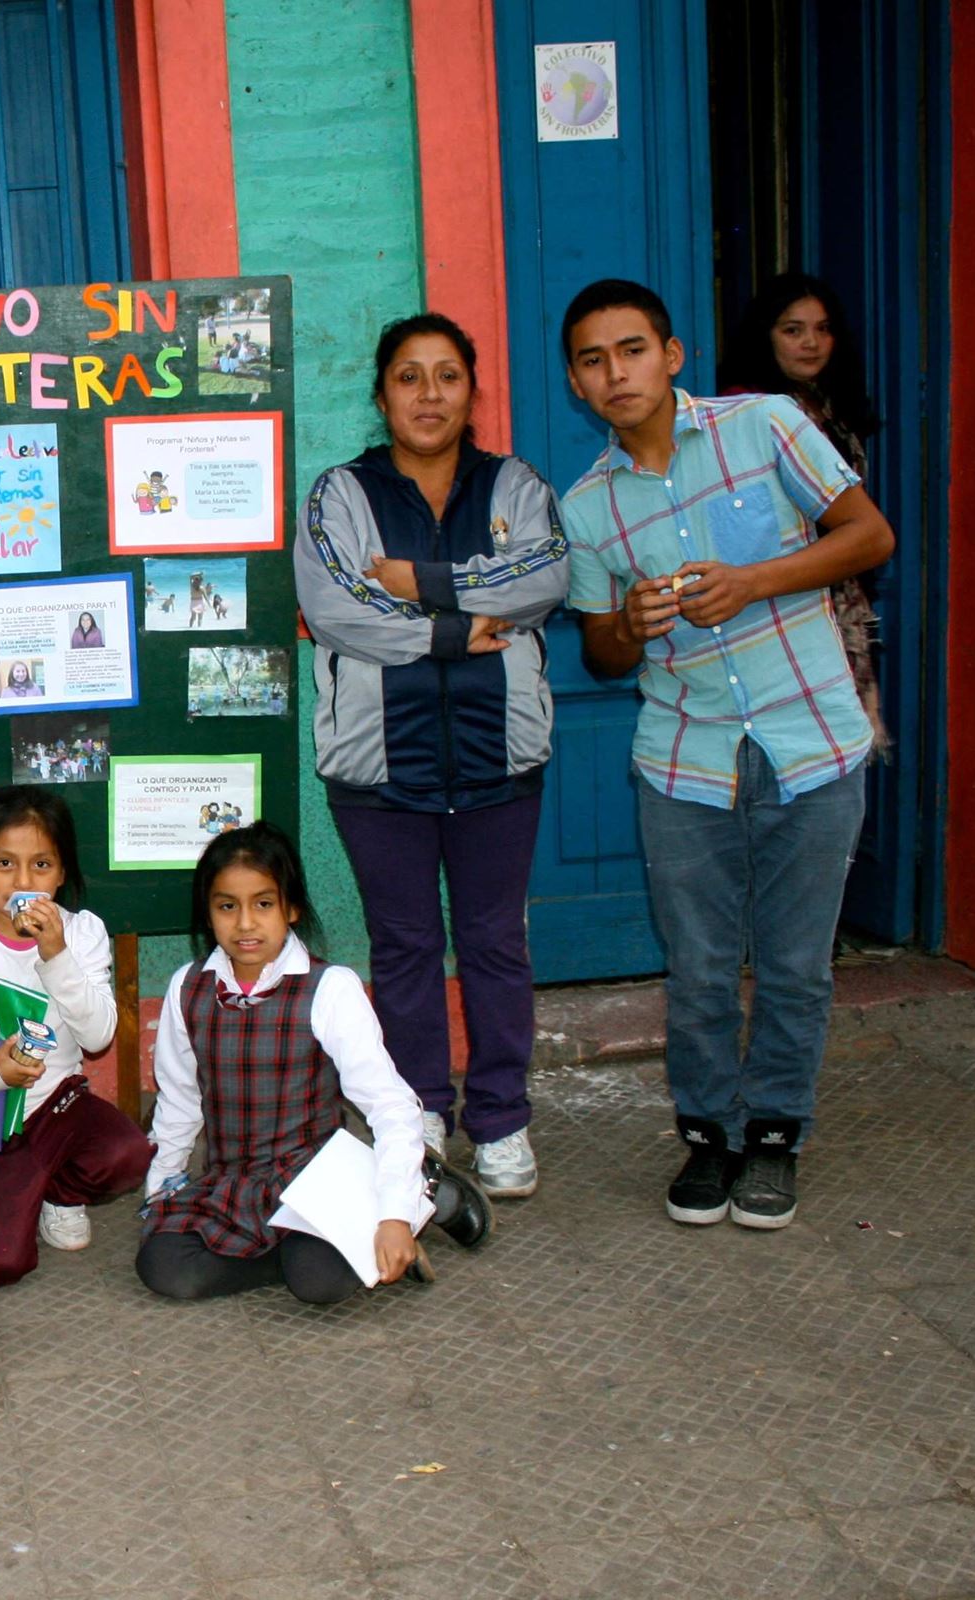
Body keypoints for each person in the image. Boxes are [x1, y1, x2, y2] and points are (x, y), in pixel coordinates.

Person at [559, 279, 893, 1231]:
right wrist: (627, 620)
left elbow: (869, 535)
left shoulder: (767, 426)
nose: (615, 373)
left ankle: (777, 1135)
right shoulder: (588, 509)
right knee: (700, 966)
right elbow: (600, 650)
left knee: (795, 965)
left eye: (631, 350)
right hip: (683, 759)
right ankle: (709, 1137)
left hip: (811, 740)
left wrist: (753, 582)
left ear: (671, 355)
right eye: (593, 360)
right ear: (578, 386)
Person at [294, 312, 571, 1200]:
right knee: (405, 948)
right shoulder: (340, 494)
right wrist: (454, 631)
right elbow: (335, 608)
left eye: (447, 376)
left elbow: (545, 577)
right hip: (379, 771)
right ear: (381, 395)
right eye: (408, 377)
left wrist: (417, 582)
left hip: (501, 763)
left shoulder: (515, 484)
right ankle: (415, 1118)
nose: (429, 394)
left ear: (471, 391)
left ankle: (501, 1123)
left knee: (495, 945)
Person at [139, 823, 491, 1302]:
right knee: (166, 1269)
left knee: (320, 1284)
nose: (245, 923)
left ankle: (413, 1197)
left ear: (292, 908)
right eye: (227, 906)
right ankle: (317, 1252)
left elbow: (389, 1103)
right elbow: (179, 1100)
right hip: (234, 1182)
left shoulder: (330, 988)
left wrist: (392, 1217)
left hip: (318, 1177)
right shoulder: (189, 988)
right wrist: (161, 1188)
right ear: (209, 912)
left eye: (263, 904)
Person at [0, 787, 151, 1283]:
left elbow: (98, 1036)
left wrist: (56, 955)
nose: (23, 882)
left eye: (41, 865)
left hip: (56, 1106)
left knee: (127, 1155)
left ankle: (60, 1192)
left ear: (62, 872)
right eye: (4, 863)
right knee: (2, 1264)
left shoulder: (81, 932)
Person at [723, 271, 886, 748]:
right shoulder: (745, 411)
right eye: (792, 330)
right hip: (780, 599)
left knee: (841, 746)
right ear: (764, 336)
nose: (811, 343)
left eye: (823, 328)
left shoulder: (830, 408)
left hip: (839, 591)